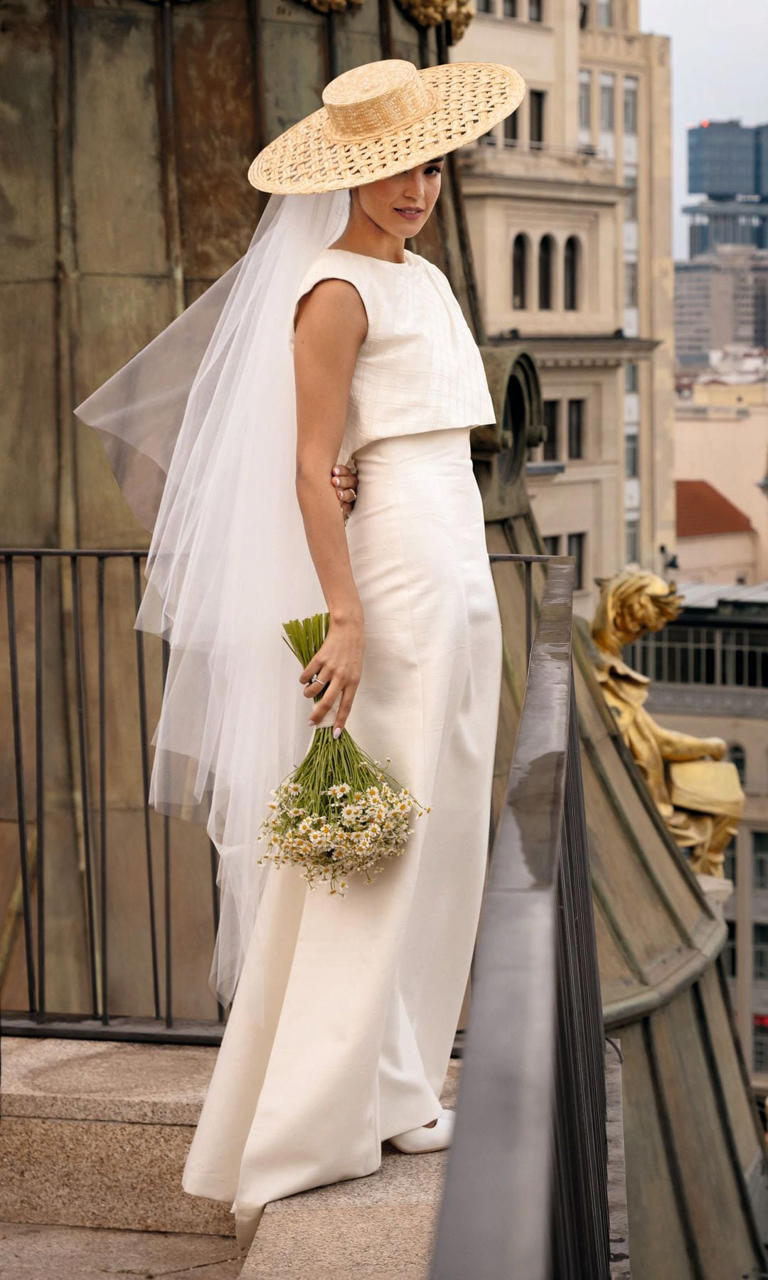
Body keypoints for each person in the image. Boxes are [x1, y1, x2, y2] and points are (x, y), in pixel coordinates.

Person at [75, 56, 524, 1252]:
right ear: (351, 176)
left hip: (460, 570)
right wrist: (344, 614)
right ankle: (306, 1123)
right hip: (394, 579)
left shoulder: (425, 279)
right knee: (369, 840)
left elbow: (398, 446)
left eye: (430, 165)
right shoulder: (331, 290)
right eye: (394, 168)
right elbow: (307, 464)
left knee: (441, 833)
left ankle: (399, 1081)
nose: (416, 187)